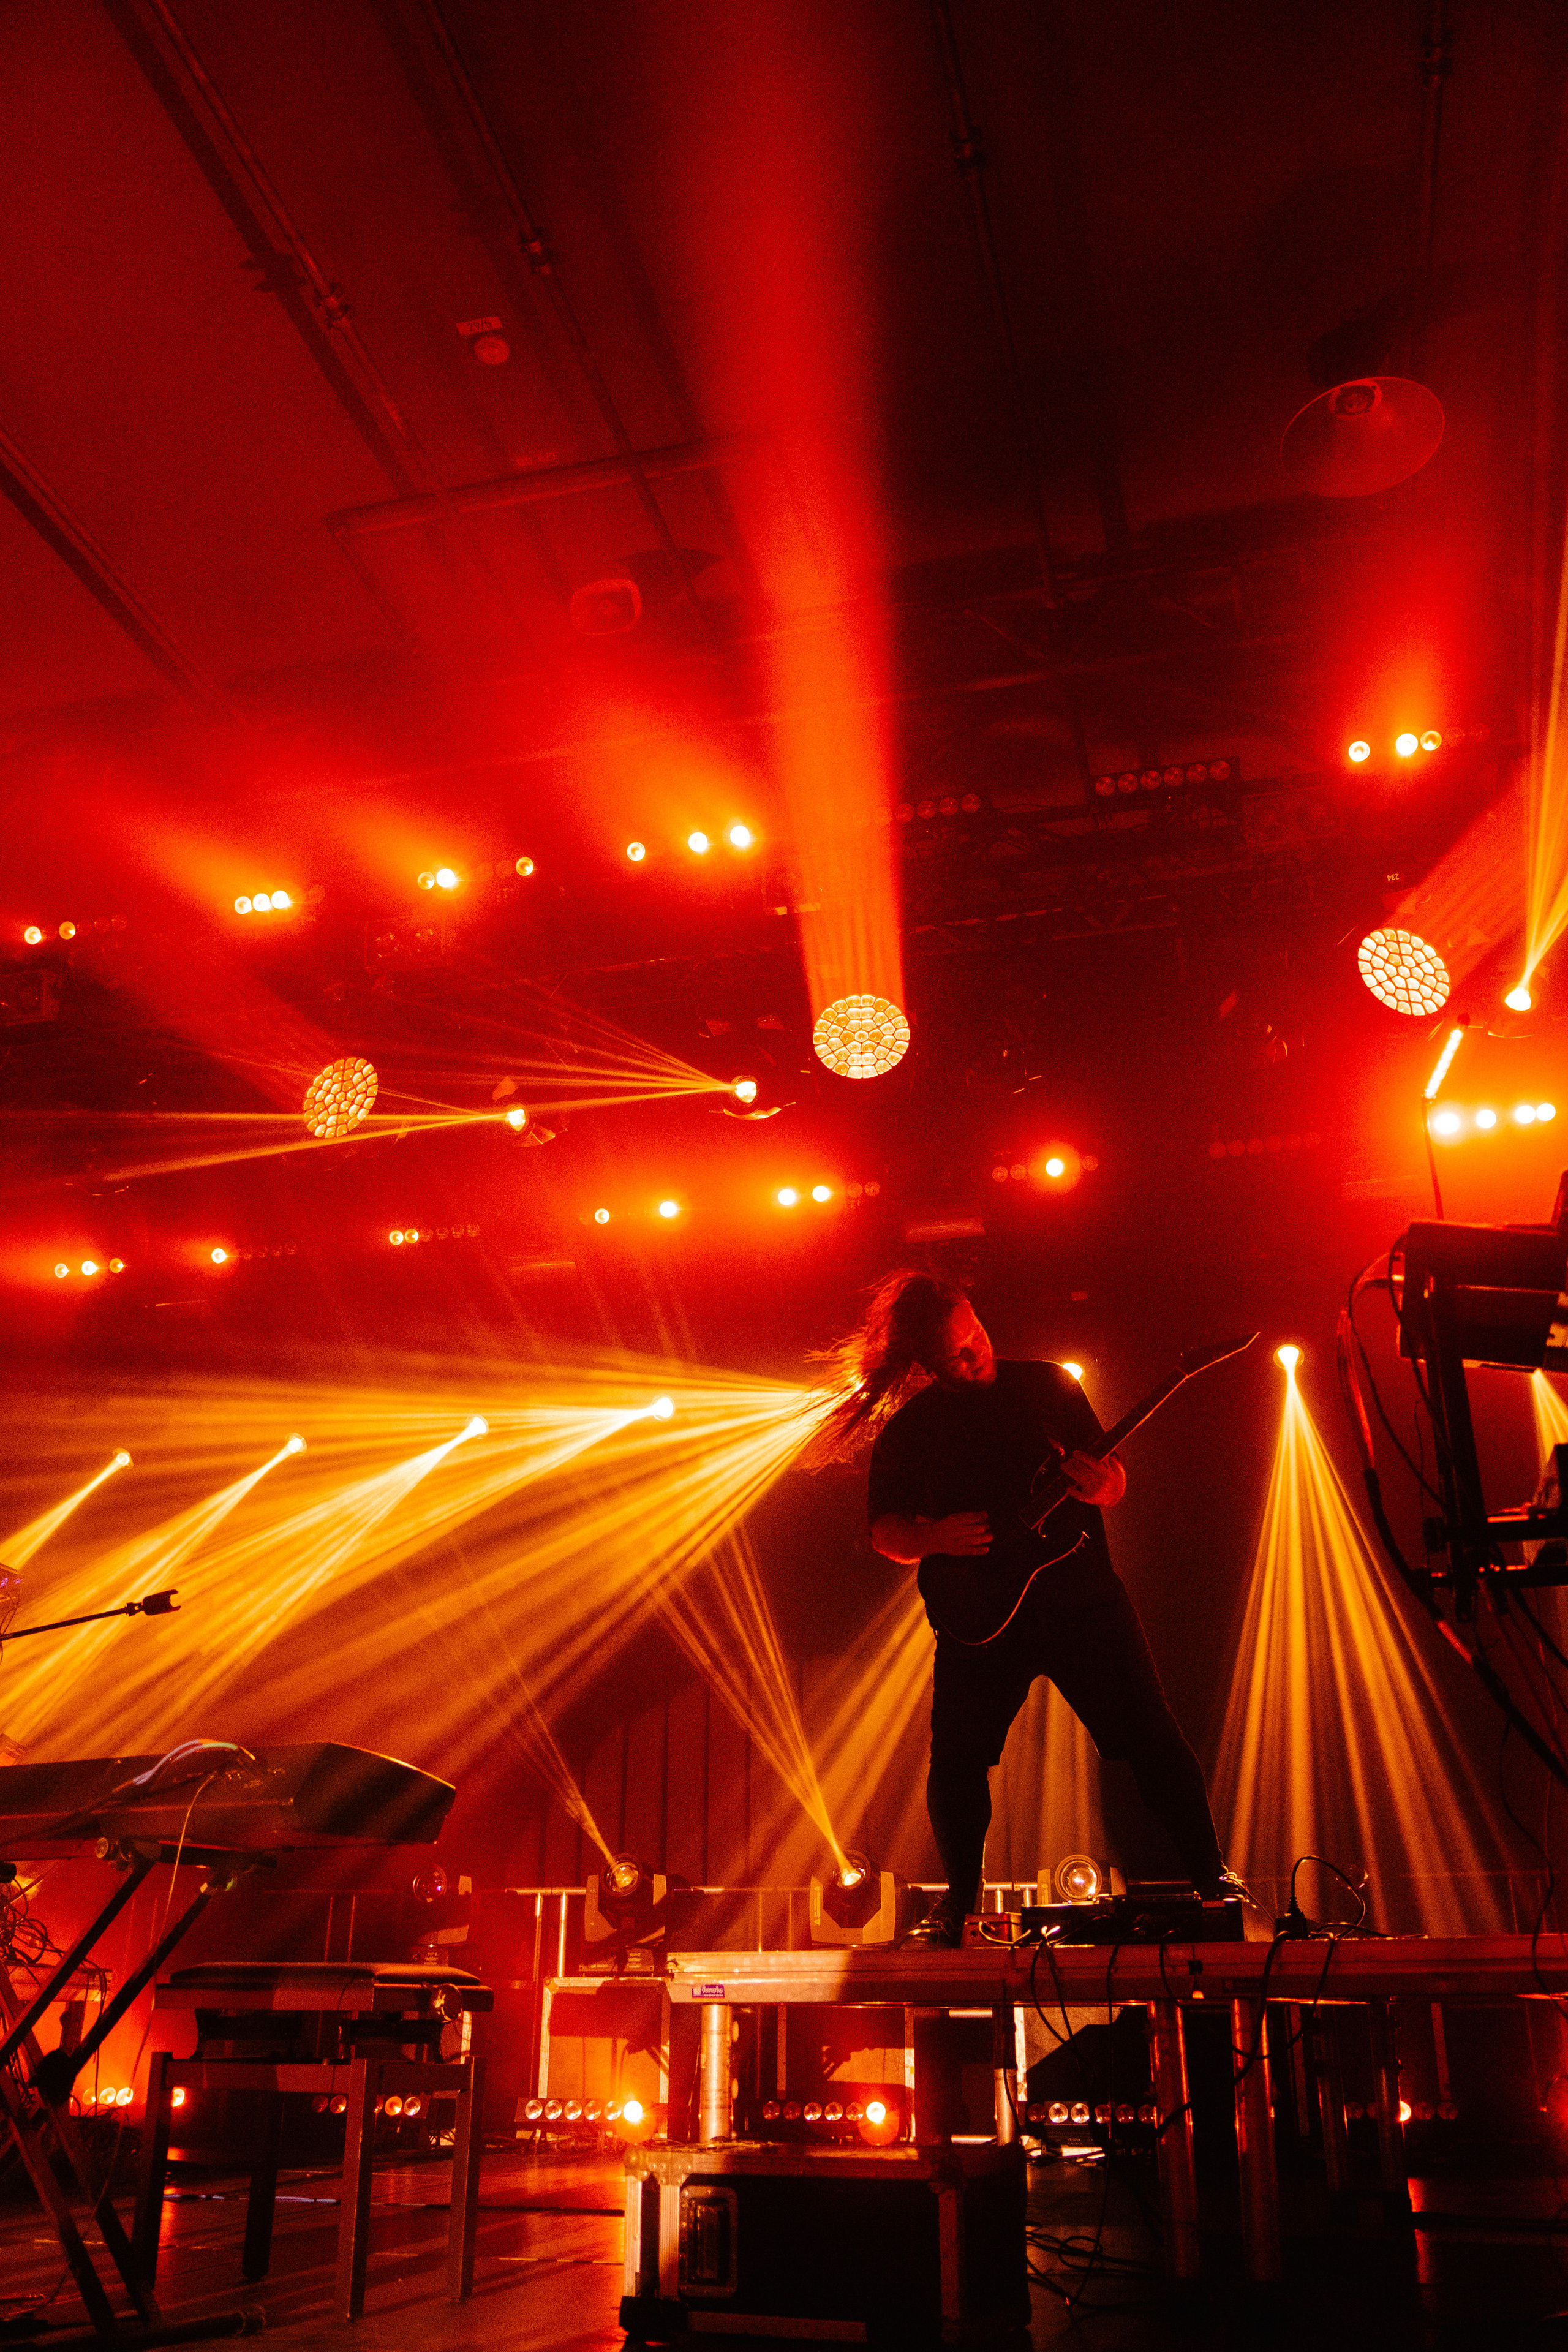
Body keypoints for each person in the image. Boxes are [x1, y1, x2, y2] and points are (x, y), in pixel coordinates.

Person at [823, 1270, 1231, 1948]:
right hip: (979, 1620)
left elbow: (1113, 1481)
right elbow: (884, 1532)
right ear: (926, 1363)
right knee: (957, 1762)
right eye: (956, 1354)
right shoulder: (911, 1430)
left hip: (1083, 1602)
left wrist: (1105, 1487)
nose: (975, 1352)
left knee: (1152, 1737)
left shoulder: (1048, 1386)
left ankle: (1213, 1878)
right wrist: (934, 1537)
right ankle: (960, 1903)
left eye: (976, 1334)